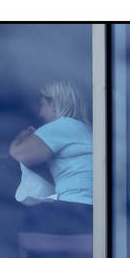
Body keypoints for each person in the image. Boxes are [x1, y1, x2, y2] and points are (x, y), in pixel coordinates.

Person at [8, 81, 93, 236]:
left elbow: (18, 154)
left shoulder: (61, 126)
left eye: (42, 105)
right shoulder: (87, 129)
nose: (40, 114)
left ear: (53, 103)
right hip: (94, 212)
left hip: (75, 210)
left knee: (1, 222)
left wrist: (24, 134)